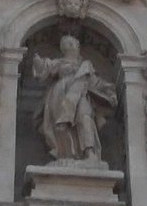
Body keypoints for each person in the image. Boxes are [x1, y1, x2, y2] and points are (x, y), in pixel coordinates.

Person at [32, 35, 117, 163]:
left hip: (81, 94)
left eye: (73, 43)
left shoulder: (86, 65)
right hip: (61, 95)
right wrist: (38, 62)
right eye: (68, 44)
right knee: (62, 124)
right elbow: (45, 68)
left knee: (85, 117)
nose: (71, 46)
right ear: (63, 48)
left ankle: (89, 153)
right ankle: (66, 154)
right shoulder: (58, 63)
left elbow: (96, 83)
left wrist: (109, 92)